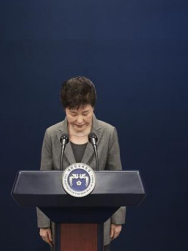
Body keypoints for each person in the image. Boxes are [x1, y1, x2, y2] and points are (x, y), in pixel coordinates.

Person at [37, 76, 126, 250]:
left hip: (99, 220)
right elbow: (43, 182)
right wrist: (43, 223)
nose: (79, 120)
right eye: (73, 113)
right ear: (65, 109)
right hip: (61, 221)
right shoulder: (52, 134)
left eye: (85, 113)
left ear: (93, 107)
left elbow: (118, 179)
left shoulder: (108, 133)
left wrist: (118, 219)